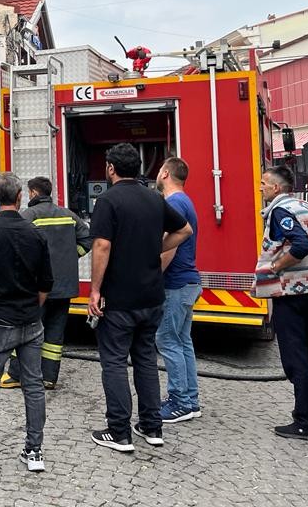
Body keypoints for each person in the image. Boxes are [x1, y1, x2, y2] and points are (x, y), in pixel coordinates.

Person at [88, 143, 193, 453]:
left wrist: (95, 290)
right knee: (146, 360)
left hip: (119, 298)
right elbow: (185, 230)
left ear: (111, 168)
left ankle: (118, 432)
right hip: (152, 296)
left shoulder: (107, 201)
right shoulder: (155, 198)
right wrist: (153, 249)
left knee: (114, 363)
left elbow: (102, 246)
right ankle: (151, 426)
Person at [0, 172, 53, 477]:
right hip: (30, 320)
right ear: (19, 198)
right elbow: (46, 282)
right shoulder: (35, 234)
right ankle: (34, 451)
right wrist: (33, 307)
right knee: (34, 385)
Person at [252, 164, 308, 442]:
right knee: (302, 352)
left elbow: (300, 246)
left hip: (289, 294)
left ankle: (307, 422)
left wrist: (276, 267)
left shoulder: (280, 211)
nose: (260, 188)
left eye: (263, 184)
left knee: (294, 357)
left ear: (276, 188)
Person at [0, 175, 92, 391]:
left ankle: (15, 374)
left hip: (36, 287)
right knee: (55, 333)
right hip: (64, 286)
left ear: (33, 193)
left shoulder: (28, 216)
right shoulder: (68, 215)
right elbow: (88, 239)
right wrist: (71, 257)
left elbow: (14, 247)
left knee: (24, 330)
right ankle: (49, 377)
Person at [154, 158, 203, 423]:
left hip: (175, 283)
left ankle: (180, 403)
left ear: (165, 173)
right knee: (183, 342)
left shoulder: (172, 203)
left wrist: (152, 279)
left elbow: (168, 248)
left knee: (167, 340)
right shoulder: (185, 201)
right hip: (188, 282)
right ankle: (190, 400)